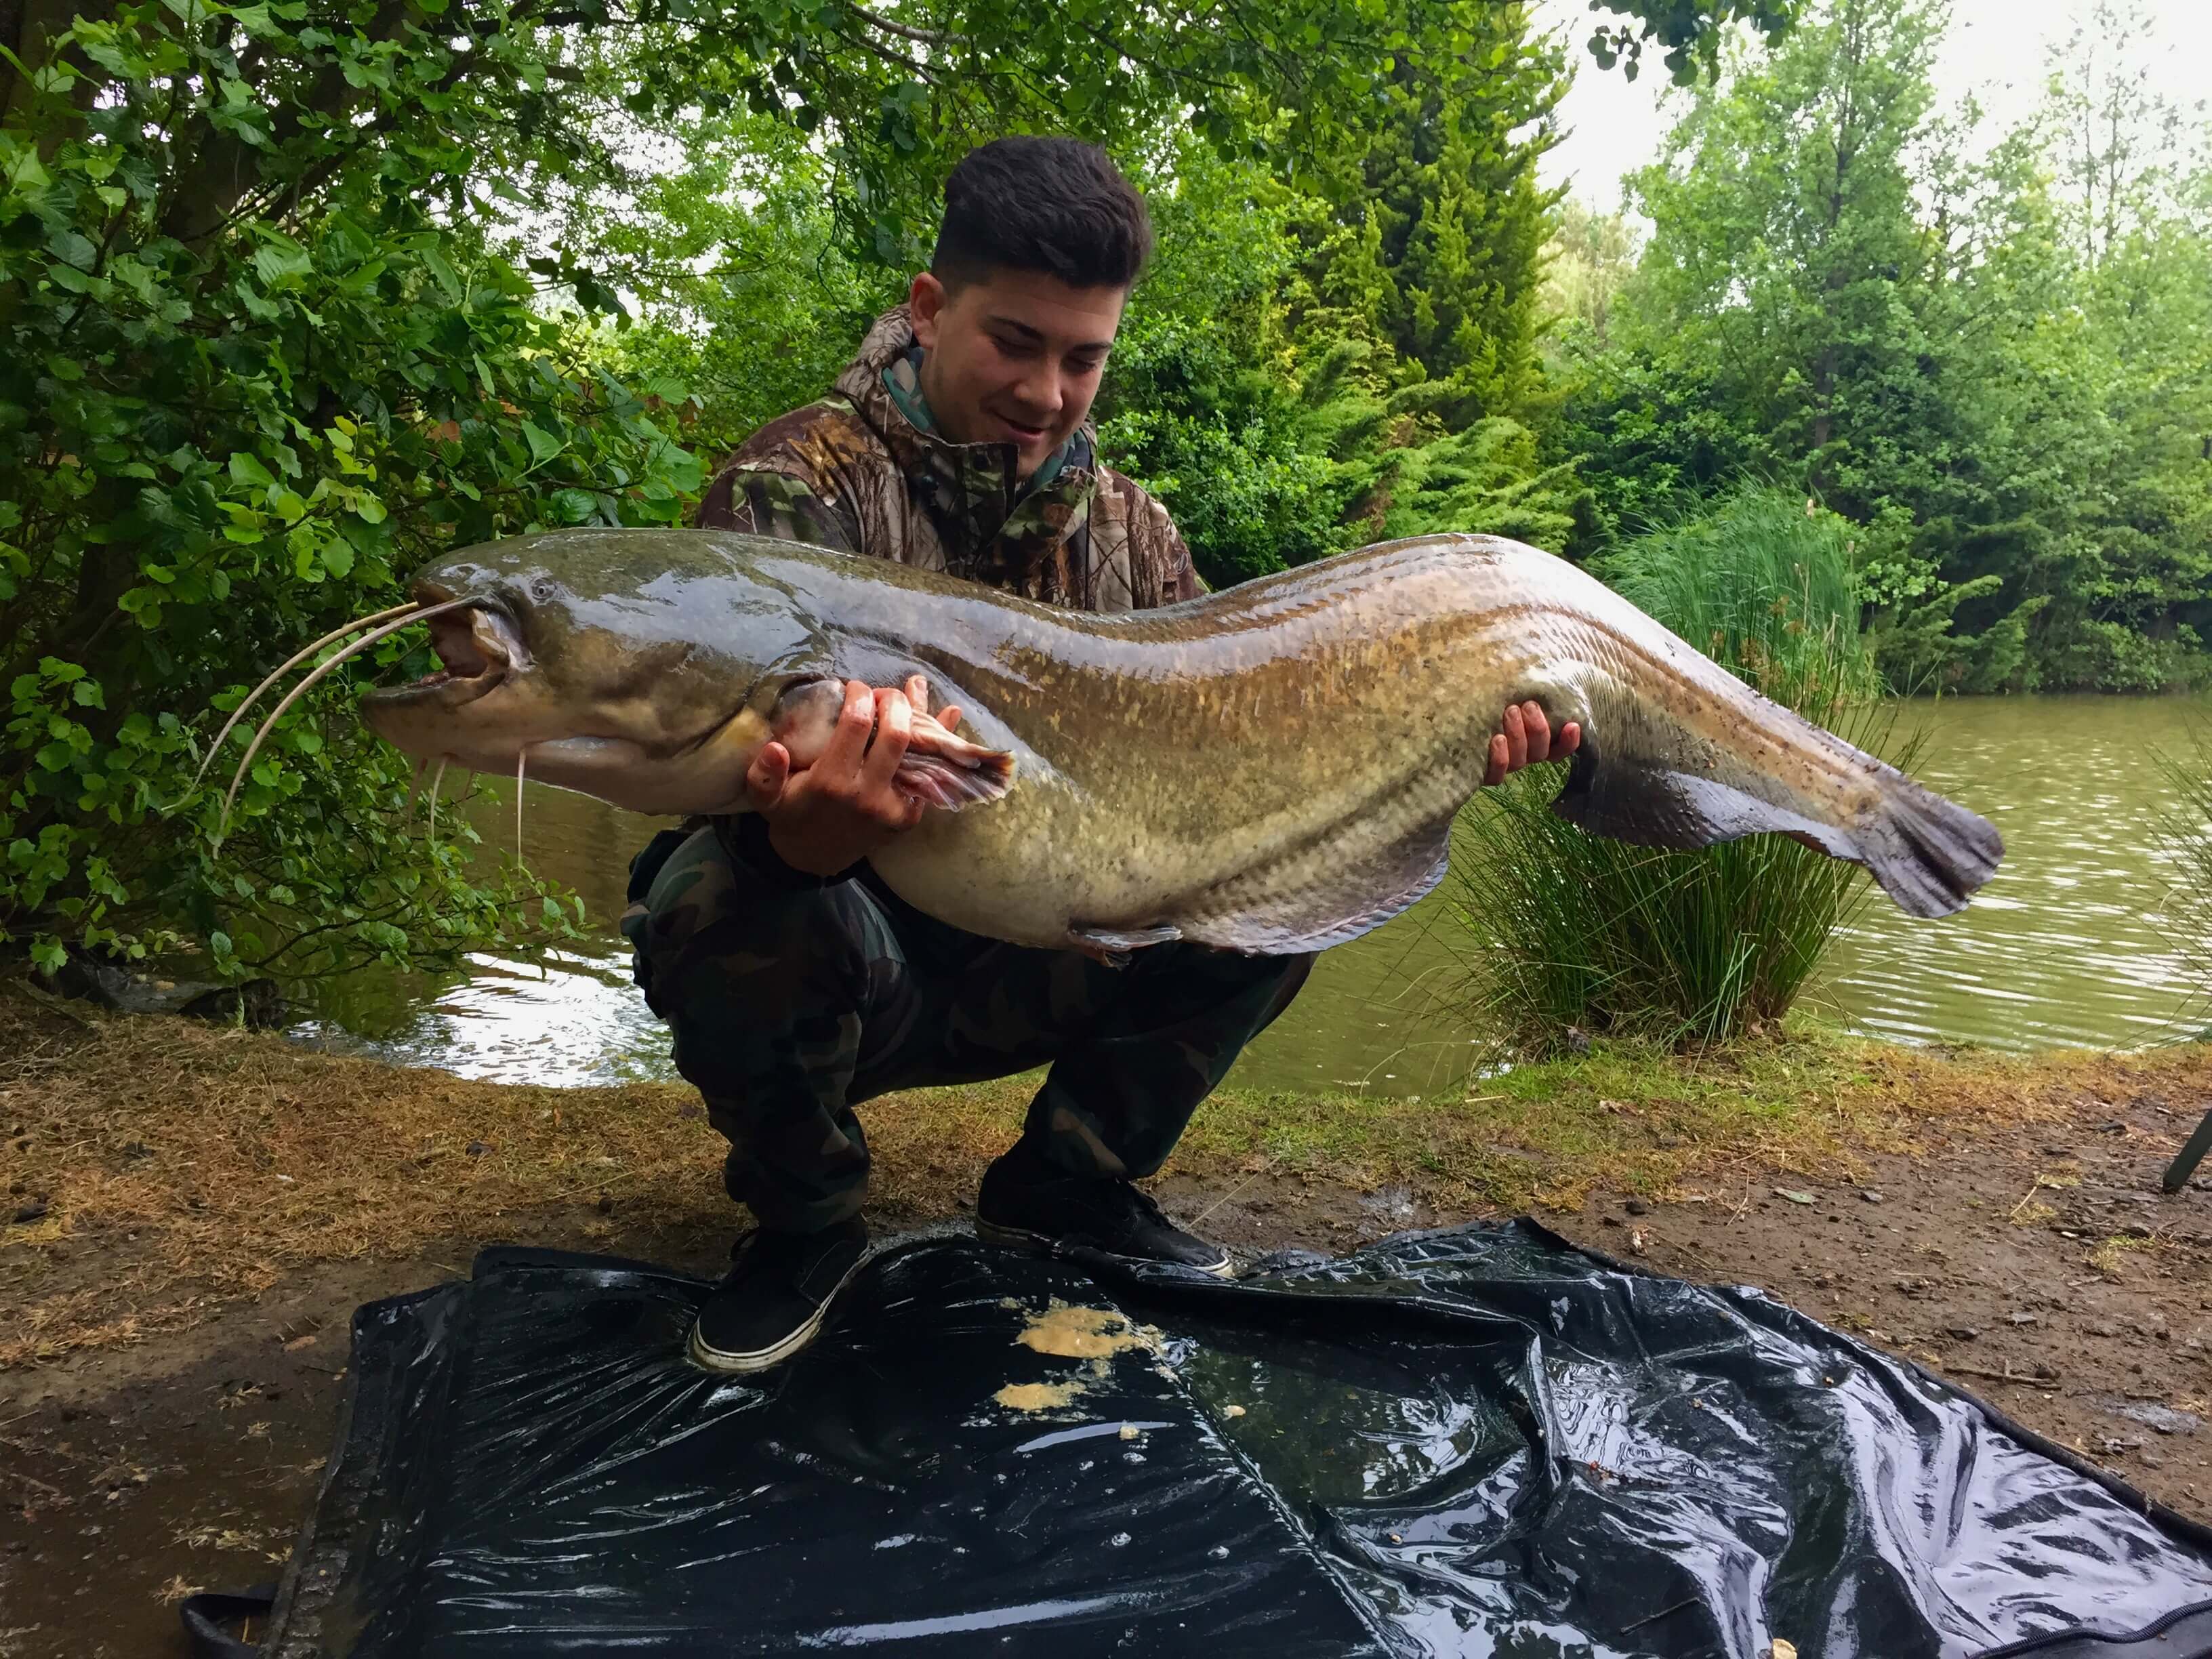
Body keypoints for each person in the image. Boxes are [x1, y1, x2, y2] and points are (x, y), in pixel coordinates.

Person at [622, 136, 1580, 1374]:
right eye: (1014, 343)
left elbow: (1239, 750)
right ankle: (805, 1223)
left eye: (1085, 359)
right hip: (854, 957)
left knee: (1284, 888)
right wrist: (812, 838)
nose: (1048, 393)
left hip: (1064, 940)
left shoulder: (1131, 526)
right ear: (928, 309)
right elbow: (734, 785)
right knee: (705, 893)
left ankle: (1071, 1181)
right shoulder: (792, 490)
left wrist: (1441, 740)